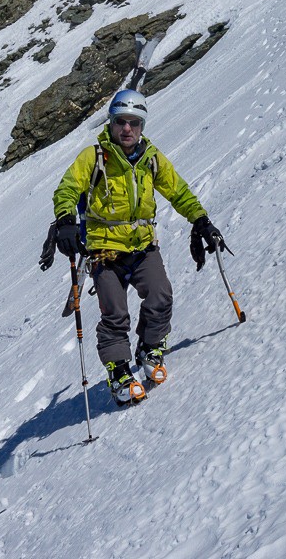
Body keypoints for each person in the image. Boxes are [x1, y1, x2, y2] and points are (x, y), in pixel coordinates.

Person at [45, 88, 225, 405]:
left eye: (134, 122)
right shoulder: (93, 157)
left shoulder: (150, 159)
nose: (127, 128)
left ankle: (150, 348)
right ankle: (118, 371)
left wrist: (200, 220)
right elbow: (68, 189)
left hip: (142, 246)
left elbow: (178, 191)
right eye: (121, 121)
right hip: (104, 251)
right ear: (111, 123)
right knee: (115, 313)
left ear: (142, 126)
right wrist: (66, 220)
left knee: (160, 295)